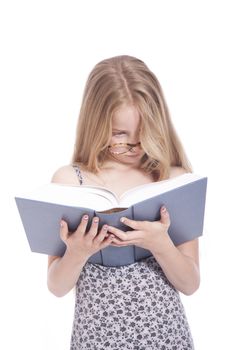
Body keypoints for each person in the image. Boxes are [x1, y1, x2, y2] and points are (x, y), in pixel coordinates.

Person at [47, 55, 199, 349]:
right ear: (95, 124)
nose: (133, 146)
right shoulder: (69, 181)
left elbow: (191, 283)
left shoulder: (173, 178)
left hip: (166, 339)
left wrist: (160, 243)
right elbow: (56, 286)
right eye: (119, 135)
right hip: (96, 340)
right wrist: (77, 252)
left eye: (144, 134)